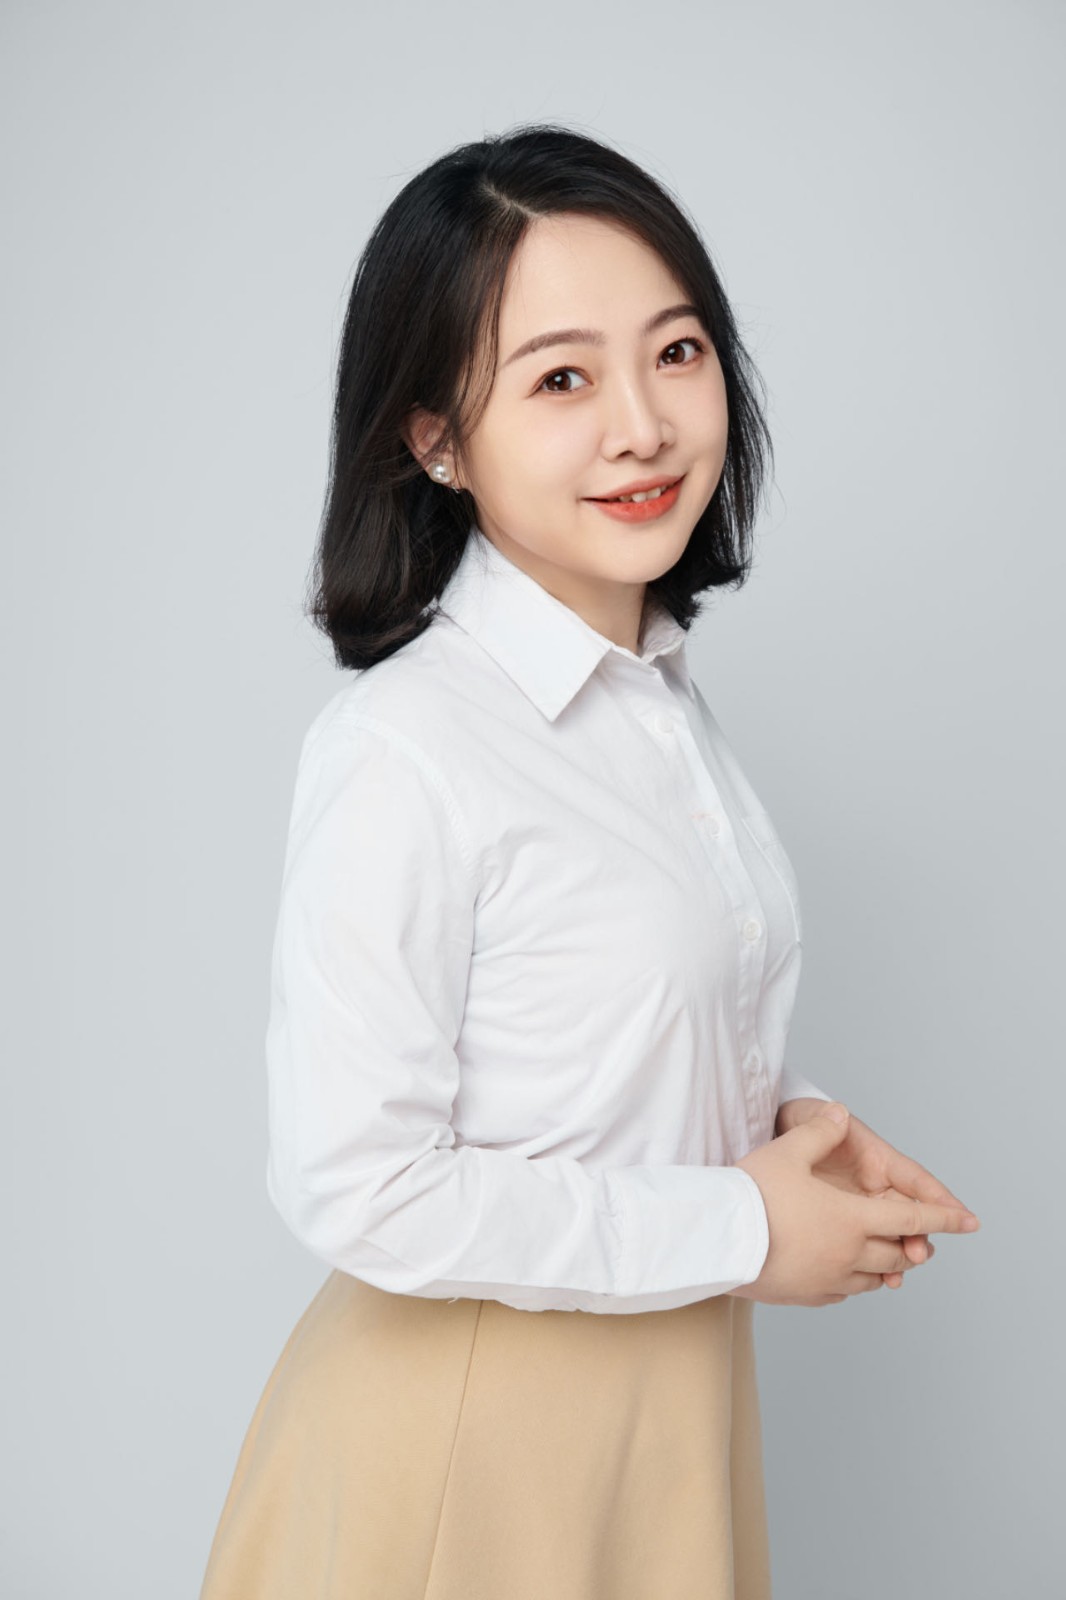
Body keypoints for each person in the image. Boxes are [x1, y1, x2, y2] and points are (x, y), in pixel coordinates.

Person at [197, 123, 981, 1600]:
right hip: (468, 1453)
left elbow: (583, 1037)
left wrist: (790, 1123)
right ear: (435, 438)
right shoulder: (408, 745)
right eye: (560, 379)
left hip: (665, 1419)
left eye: (675, 354)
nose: (642, 426)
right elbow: (357, 1184)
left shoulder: (658, 702)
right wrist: (744, 1223)